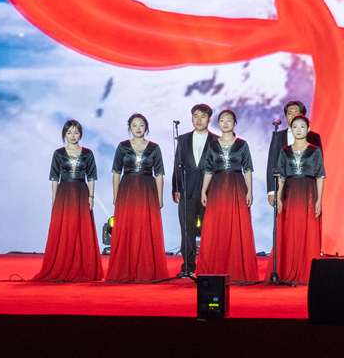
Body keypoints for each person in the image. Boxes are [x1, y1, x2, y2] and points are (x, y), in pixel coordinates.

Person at [35, 120, 102, 282]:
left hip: (81, 192)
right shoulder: (58, 153)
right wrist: (54, 198)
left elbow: (91, 177)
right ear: (64, 134)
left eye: (76, 132)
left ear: (81, 134)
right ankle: (61, 265)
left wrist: (91, 196)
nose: (73, 136)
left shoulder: (87, 153)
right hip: (64, 193)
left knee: (82, 228)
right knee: (64, 228)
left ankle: (84, 267)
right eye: (69, 132)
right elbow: (54, 178)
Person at [197, 110, 258, 282]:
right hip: (217, 188)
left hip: (236, 186)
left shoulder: (242, 144)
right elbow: (208, 169)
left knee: (236, 225)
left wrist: (249, 191)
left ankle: (237, 269)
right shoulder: (212, 145)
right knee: (217, 225)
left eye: (229, 120)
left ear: (235, 123)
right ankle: (215, 269)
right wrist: (203, 190)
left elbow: (248, 169)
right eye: (222, 120)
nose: (225, 123)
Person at [107, 113, 169, 283]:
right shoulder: (122, 147)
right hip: (127, 191)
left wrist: (160, 198)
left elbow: (159, 174)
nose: (138, 128)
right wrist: (115, 195)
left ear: (146, 127)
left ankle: (146, 269)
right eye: (134, 125)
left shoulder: (154, 148)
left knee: (146, 227)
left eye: (141, 125)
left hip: (147, 190)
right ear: (129, 128)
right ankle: (124, 270)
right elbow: (116, 172)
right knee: (127, 228)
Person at [270, 114, 325, 284]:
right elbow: (281, 177)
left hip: (309, 193)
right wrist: (279, 197)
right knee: (289, 230)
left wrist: (319, 200)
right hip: (289, 193)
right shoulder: (285, 151)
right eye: (295, 127)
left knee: (307, 229)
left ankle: (307, 271)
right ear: (291, 129)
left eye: (302, 126)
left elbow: (320, 176)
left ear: (308, 129)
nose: (299, 130)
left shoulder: (314, 150)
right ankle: (286, 269)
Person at [170, 103, 214, 276]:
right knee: (186, 230)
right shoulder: (182, 139)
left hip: (209, 192)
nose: (199, 120)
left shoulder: (216, 140)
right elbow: (177, 164)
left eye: (203, 116)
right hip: (187, 189)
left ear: (209, 119)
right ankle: (188, 267)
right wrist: (176, 187)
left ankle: (207, 266)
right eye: (195, 116)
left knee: (208, 230)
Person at [265, 100, 320, 216]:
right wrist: (271, 191)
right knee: (286, 219)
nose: (293, 115)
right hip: (284, 187)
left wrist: (316, 192)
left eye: (296, 112)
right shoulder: (278, 136)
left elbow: (318, 166)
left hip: (307, 187)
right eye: (289, 113)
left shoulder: (314, 137)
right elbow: (272, 163)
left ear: (303, 115)